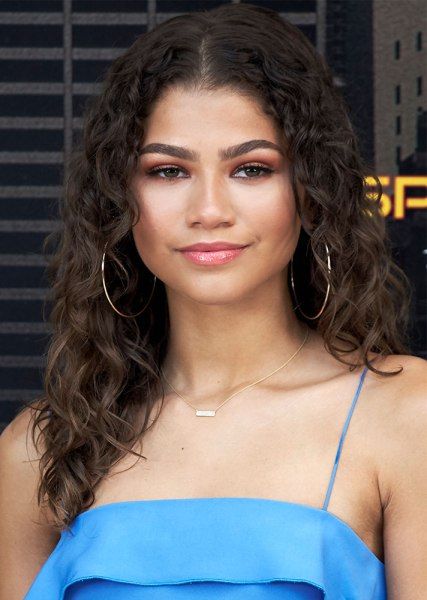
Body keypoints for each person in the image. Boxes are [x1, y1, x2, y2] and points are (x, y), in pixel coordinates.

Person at [1, 3, 426, 599]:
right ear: (119, 198)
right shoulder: (40, 446)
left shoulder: (406, 414)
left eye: (251, 169)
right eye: (169, 171)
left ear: (311, 190)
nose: (209, 210)